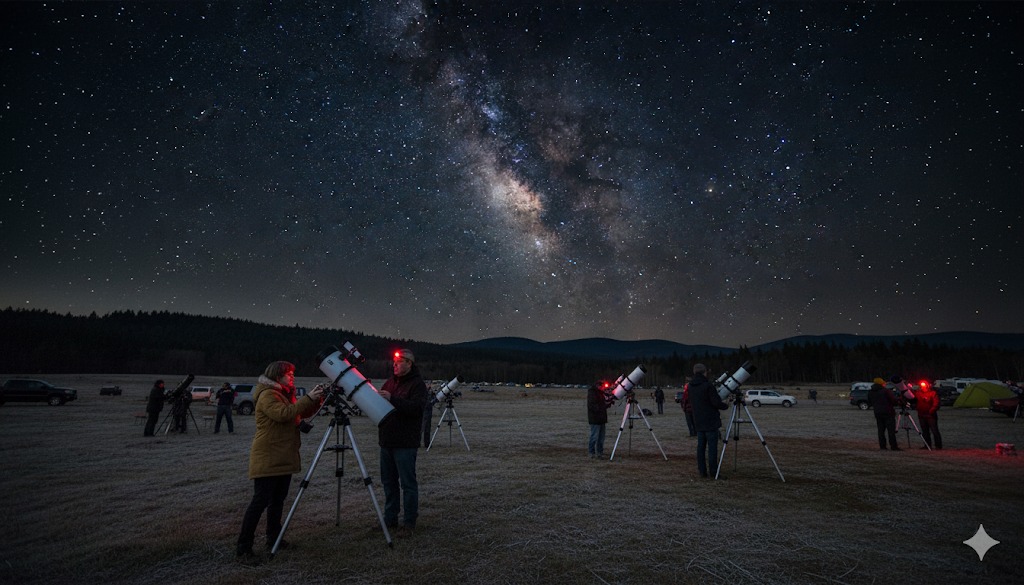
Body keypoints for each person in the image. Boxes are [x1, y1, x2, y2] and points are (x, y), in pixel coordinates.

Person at [236, 361, 325, 561]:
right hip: (269, 456)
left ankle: (273, 538)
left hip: (282, 455)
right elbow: (284, 414)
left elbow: (299, 412)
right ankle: (244, 546)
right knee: (260, 502)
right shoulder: (268, 395)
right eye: (289, 374)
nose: (292, 377)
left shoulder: (283, 395)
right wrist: (308, 397)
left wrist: (317, 399)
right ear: (278, 376)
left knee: (277, 501)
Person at [378, 348, 428, 536]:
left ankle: (409, 523)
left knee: (407, 484)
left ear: (409, 363)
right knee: (388, 483)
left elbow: (416, 409)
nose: (395, 365)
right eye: (394, 363)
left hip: (405, 443)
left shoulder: (417, 385)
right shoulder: (390, 382)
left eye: (399, 362)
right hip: (387, 441)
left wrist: (393, 399)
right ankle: (390, 519)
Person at [689, 364, 728, 478]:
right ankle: (714, 472)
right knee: (712, 449)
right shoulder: (707, 385)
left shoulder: (691, 386)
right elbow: (715, 402)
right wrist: (725, 406)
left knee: (700, 448)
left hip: (698, 421)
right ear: (704, 372)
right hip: (710, 421)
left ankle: (702, 471)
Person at [867, 377, 900, 451]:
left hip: (878, 413)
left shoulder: (871, 391)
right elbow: (893, 401)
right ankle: (893, 446)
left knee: (881, 431)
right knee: (891, 431)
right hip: (888, 412)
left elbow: (870, 401)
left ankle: (882, 446)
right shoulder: (885, 391)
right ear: (881, 383)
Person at [915, 382, 943, 450]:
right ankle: (927, 445)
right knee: (925, 431)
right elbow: (914, 401)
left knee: (934, 430)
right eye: (922, 386)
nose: (923, 387)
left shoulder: (933, 393)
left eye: (924, 386)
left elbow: (936, 403)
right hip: (921, 415)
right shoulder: (918, 393)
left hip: (931, 415)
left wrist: (931, 411)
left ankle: (938, 445)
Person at [587, 383, 611, 458]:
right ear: (598, 386)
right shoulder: (592, 393)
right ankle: (591, 452)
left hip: (602, 418)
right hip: (595, 418)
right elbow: (593, 406)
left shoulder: (600, 393)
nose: (603, 388)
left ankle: (600, 452)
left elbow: (602, 405)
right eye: (602, 387)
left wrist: (609, 403)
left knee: (601, 438)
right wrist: (604, 406)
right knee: (594, 436)